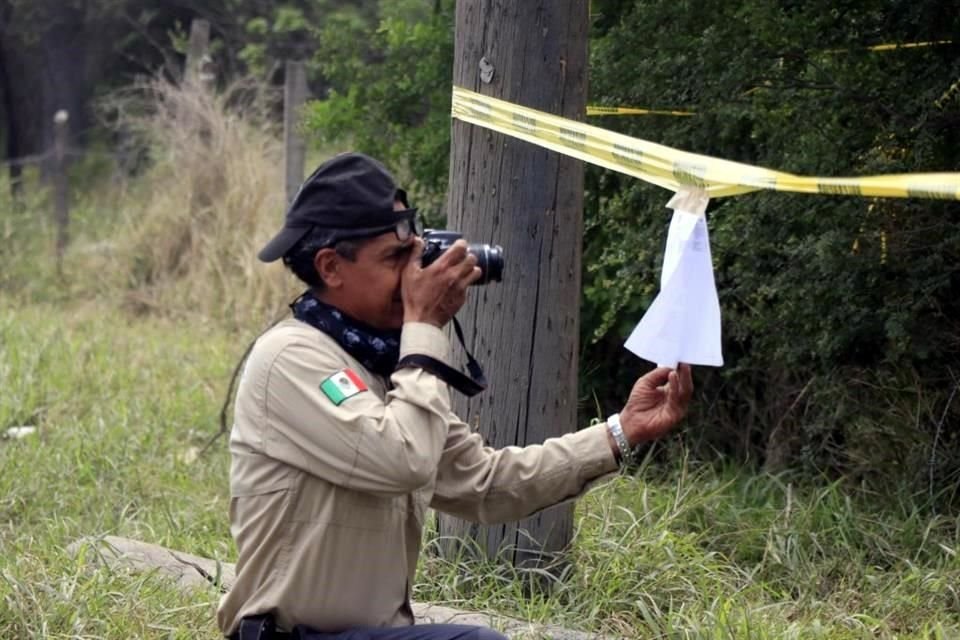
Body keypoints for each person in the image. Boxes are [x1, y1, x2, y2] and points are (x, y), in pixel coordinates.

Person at [217, 152, 693, 640]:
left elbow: (487, 483)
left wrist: (620, 433)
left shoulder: (382, 368)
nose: (413, 275)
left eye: (414, 255)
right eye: (393, 259)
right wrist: (423, 328)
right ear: (331, 267)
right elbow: (403, 458)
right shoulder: (292, 358)